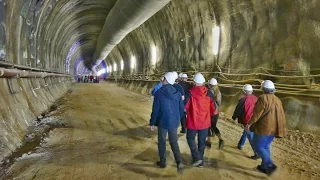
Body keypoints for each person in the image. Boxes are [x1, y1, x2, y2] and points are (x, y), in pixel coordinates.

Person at [246, 80, 286, 175]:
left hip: (264, 128)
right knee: (266, 146)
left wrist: (249, 123)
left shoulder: (262, 98)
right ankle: (264, 167)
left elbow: (256, 114)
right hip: (274, 128)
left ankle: (270, 164)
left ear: (263, 88)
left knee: (258, 146)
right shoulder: (277, 99)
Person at [149, 72, 184, 174]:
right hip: (174, 122)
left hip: (163, 122)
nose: (162, 80)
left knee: (162, 142)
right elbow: (181, 109)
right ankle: (179, 162)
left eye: (163, 78)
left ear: (165, 80)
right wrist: (178, 118)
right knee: (174, 142)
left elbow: (155, 110)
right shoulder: (177, 93)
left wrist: (152, 122)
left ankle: (163, 162)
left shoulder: (159, 93)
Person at [184, 73, 215, 167]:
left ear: (194, 82)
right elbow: (213, 109)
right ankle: (200, 161)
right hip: (205, 123)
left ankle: (196, 156)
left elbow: (185, 107)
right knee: (202, 141)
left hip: (192, 122)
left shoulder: (190, 93)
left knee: (190, 138)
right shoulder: (209, 93)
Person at [232, 84, 259, 159]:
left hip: (246, 120)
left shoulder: (243, 99)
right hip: (255, 120)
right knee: (246, 132)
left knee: (250, 135)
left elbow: (238, 110)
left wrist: (234, 117)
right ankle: (240, 145)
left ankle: (257, 153)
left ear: (244, 91)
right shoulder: (256, 99)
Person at [205, 78, 224, 149]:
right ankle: (220, 139)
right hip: (216, 112)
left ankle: (209, 142)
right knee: (213, 126)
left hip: (209, 112)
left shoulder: (208, 92)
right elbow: (219, 103)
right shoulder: (219, 92)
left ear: (209, 85)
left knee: (207, 126)